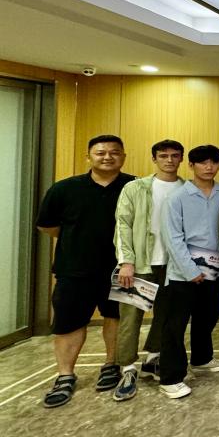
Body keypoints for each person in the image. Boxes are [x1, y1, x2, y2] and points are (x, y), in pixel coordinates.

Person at [35, 135, 134, 408]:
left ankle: (112, 364)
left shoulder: (135, 187)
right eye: (100, 152)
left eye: (114, 152)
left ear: (123, 157)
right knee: (69, 322)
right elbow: (47, 226)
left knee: (116, 318)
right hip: (74, 269)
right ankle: (65, 375)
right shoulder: (64, 188)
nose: (107, 157)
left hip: (121, 269)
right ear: (88, 156)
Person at [110, 139, 186, 401]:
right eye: (163, 156)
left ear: (181, 159)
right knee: (130, 317)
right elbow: (123, 224)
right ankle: (127, 368)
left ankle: (153, 358)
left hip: (173, 266)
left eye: (174, 155)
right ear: (154, 159)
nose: (169, 160)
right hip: (139, 263)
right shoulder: (136, 188)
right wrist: (126, 261)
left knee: (166, 315)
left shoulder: (187, 189)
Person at [159, 145, 219, 399]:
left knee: (208, 316)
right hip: (183, 274)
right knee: (175, 326)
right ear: (191, 165)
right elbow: (172, 238)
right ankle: (170, 378)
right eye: (202, 162)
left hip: (216, 271)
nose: (209, 167)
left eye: (214, 162)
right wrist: (190, 270)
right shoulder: (177, 197)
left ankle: (202, 359)